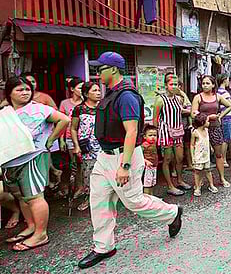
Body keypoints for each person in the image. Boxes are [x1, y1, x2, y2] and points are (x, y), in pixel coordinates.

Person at [79, 52, 182, 269]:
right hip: (105, 157)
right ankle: (103, 247)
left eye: (101, 68)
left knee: (134, 201)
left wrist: (125, 166)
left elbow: (132, 131)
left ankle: (172, 213)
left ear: (113, 70)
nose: (98, 73)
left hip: (123, 157)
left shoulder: (126, 96)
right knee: (98, 202)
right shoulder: (111, 93)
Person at [2, 76, 70, 251]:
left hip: (33, 157)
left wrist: (51, 140)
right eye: (19, 89)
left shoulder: (39, 109)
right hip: (11, 160)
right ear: (9, 93)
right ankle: (31, 226)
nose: (25, 92)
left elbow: (64, 120)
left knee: (34, 197)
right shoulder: (5, 112)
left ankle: (41, 234)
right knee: (22, 196)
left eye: (27, 89)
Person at [153, 73, 192, 196]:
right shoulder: (160, 100)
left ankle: (180, 180)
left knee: (180, 158)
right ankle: (170, 186)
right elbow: (155, 119)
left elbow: (183, 109)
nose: (174, 86)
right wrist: (156, 135)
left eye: (176, 84)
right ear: (166, 85)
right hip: (165, 133)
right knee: (167, 159)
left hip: (178, 131)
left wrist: (183, 94)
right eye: (171, 84)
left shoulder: (178, 99)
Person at [191, 75, 231, 188]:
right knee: (201, 156)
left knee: (218, 154)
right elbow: (193, 114)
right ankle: (199, 182)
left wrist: (220, 116)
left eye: (207, 83)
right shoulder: (198, 97)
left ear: (213, 85)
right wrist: (209, 117)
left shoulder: (218, 96)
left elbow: (230, 106)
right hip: (202, 129)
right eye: (203, 83)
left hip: (215, 128)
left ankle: (222, 178)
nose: (205, 85)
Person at [70, 82, 103, 211]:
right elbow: (73, 128)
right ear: (85, 94)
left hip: (102, 145)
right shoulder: (79, 109)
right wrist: (76, 146)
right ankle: (88, 198)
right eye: (94, 90)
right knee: (88, 173)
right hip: (87, 146)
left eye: (99, 90)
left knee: (104, 172)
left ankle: (104, 198)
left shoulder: (102, 107)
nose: (98, 93)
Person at [59, 77, 84, 199]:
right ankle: (75, 188)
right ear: (72, 89)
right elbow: (61, 123)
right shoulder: (65, 103)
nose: (82, 90)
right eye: (80, 88)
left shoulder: (87, 102)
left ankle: (82, 187)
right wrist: (61, 139)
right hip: (70, 137)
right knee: (75, 163)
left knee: (84, 164)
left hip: (85, 139)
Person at [190, 113, 218, 197]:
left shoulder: (206, 130)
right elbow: (191, 145)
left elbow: (207, 140)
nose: (209, 123)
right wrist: (192, 156)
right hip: (198, 156)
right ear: (203, 123)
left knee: (208, 170)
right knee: (197, 171)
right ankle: (197, 187)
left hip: (206, 155)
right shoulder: (195, 133)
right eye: (207, 121)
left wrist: (211, 147)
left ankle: (211, 184)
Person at [216, 74, 231, 168]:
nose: (229, 81)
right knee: (226, 138)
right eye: (228, 79)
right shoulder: (223, 92)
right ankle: (224, 159)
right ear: (224, 80)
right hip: (227, 117)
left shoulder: (222, 92)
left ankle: (230, 154)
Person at [177, 81, 193, 171]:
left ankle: (189, 164)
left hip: (185, 125)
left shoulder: (183, 95)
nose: (177, 87)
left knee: (187, 145)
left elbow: (190, 109)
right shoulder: (170, 97)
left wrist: (185, 110)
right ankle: (176, 168)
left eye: (178, 85)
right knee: (178, 147)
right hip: (176, 126)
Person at [141, 124, 159, 196]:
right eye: (150, 135)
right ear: (145, 136)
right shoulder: (144, 145)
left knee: (152, 183)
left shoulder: (154, 144)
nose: (153, 137)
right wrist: (145, 161)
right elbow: (139, 155)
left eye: (155, 135)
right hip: (147, 167)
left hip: (154, 166)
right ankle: (146, 198)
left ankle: (151, 197)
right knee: (147, 184)